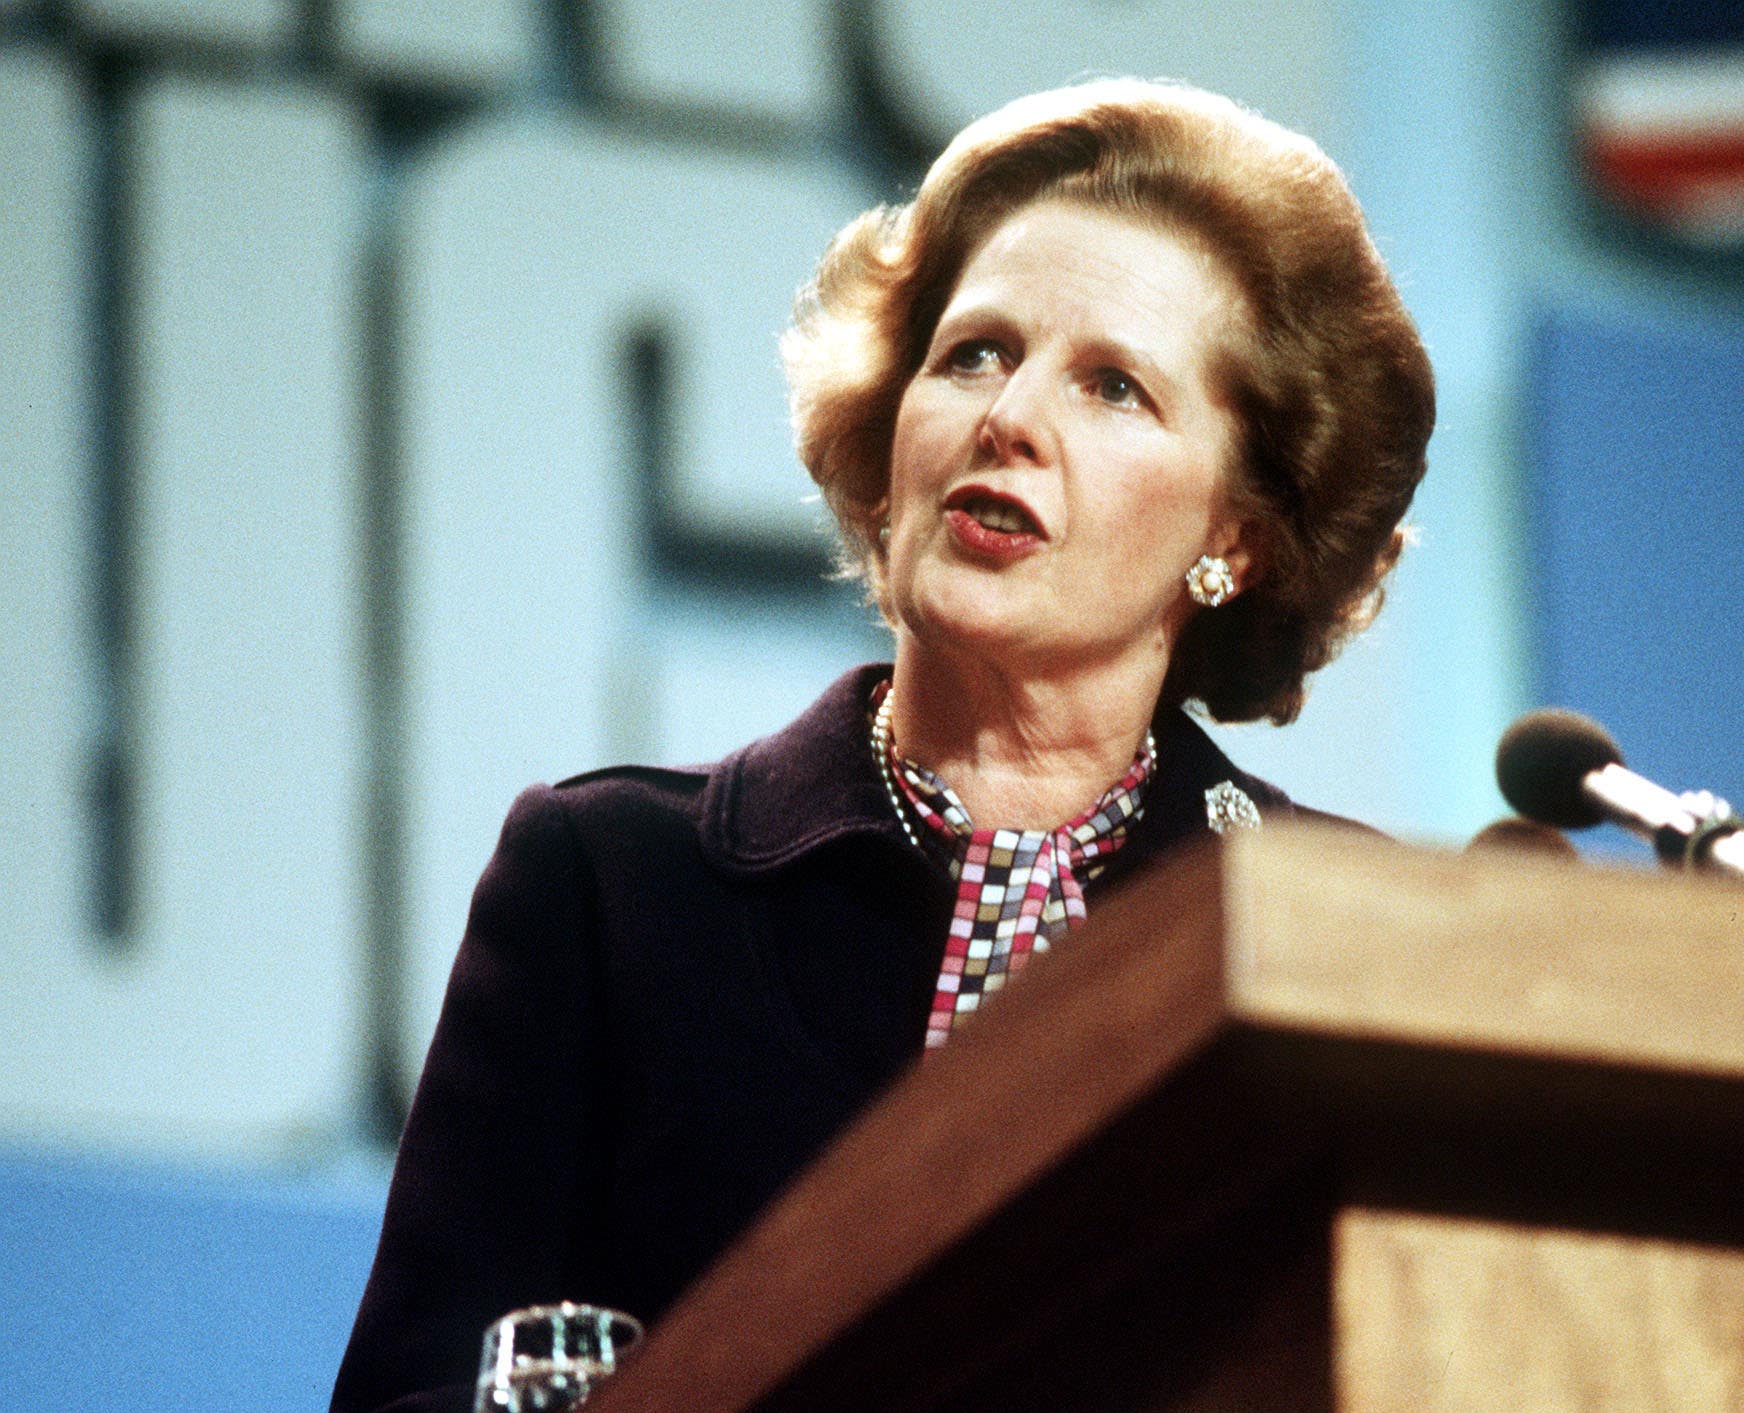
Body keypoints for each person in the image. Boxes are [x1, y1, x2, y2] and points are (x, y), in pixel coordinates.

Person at [332, 78, 1433, 1412]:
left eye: (1112, 387)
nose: (1009, 417)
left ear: (1236, 537)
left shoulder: (1334, 937)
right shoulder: (613, 884)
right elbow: (419, 1390)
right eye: (974, 352)